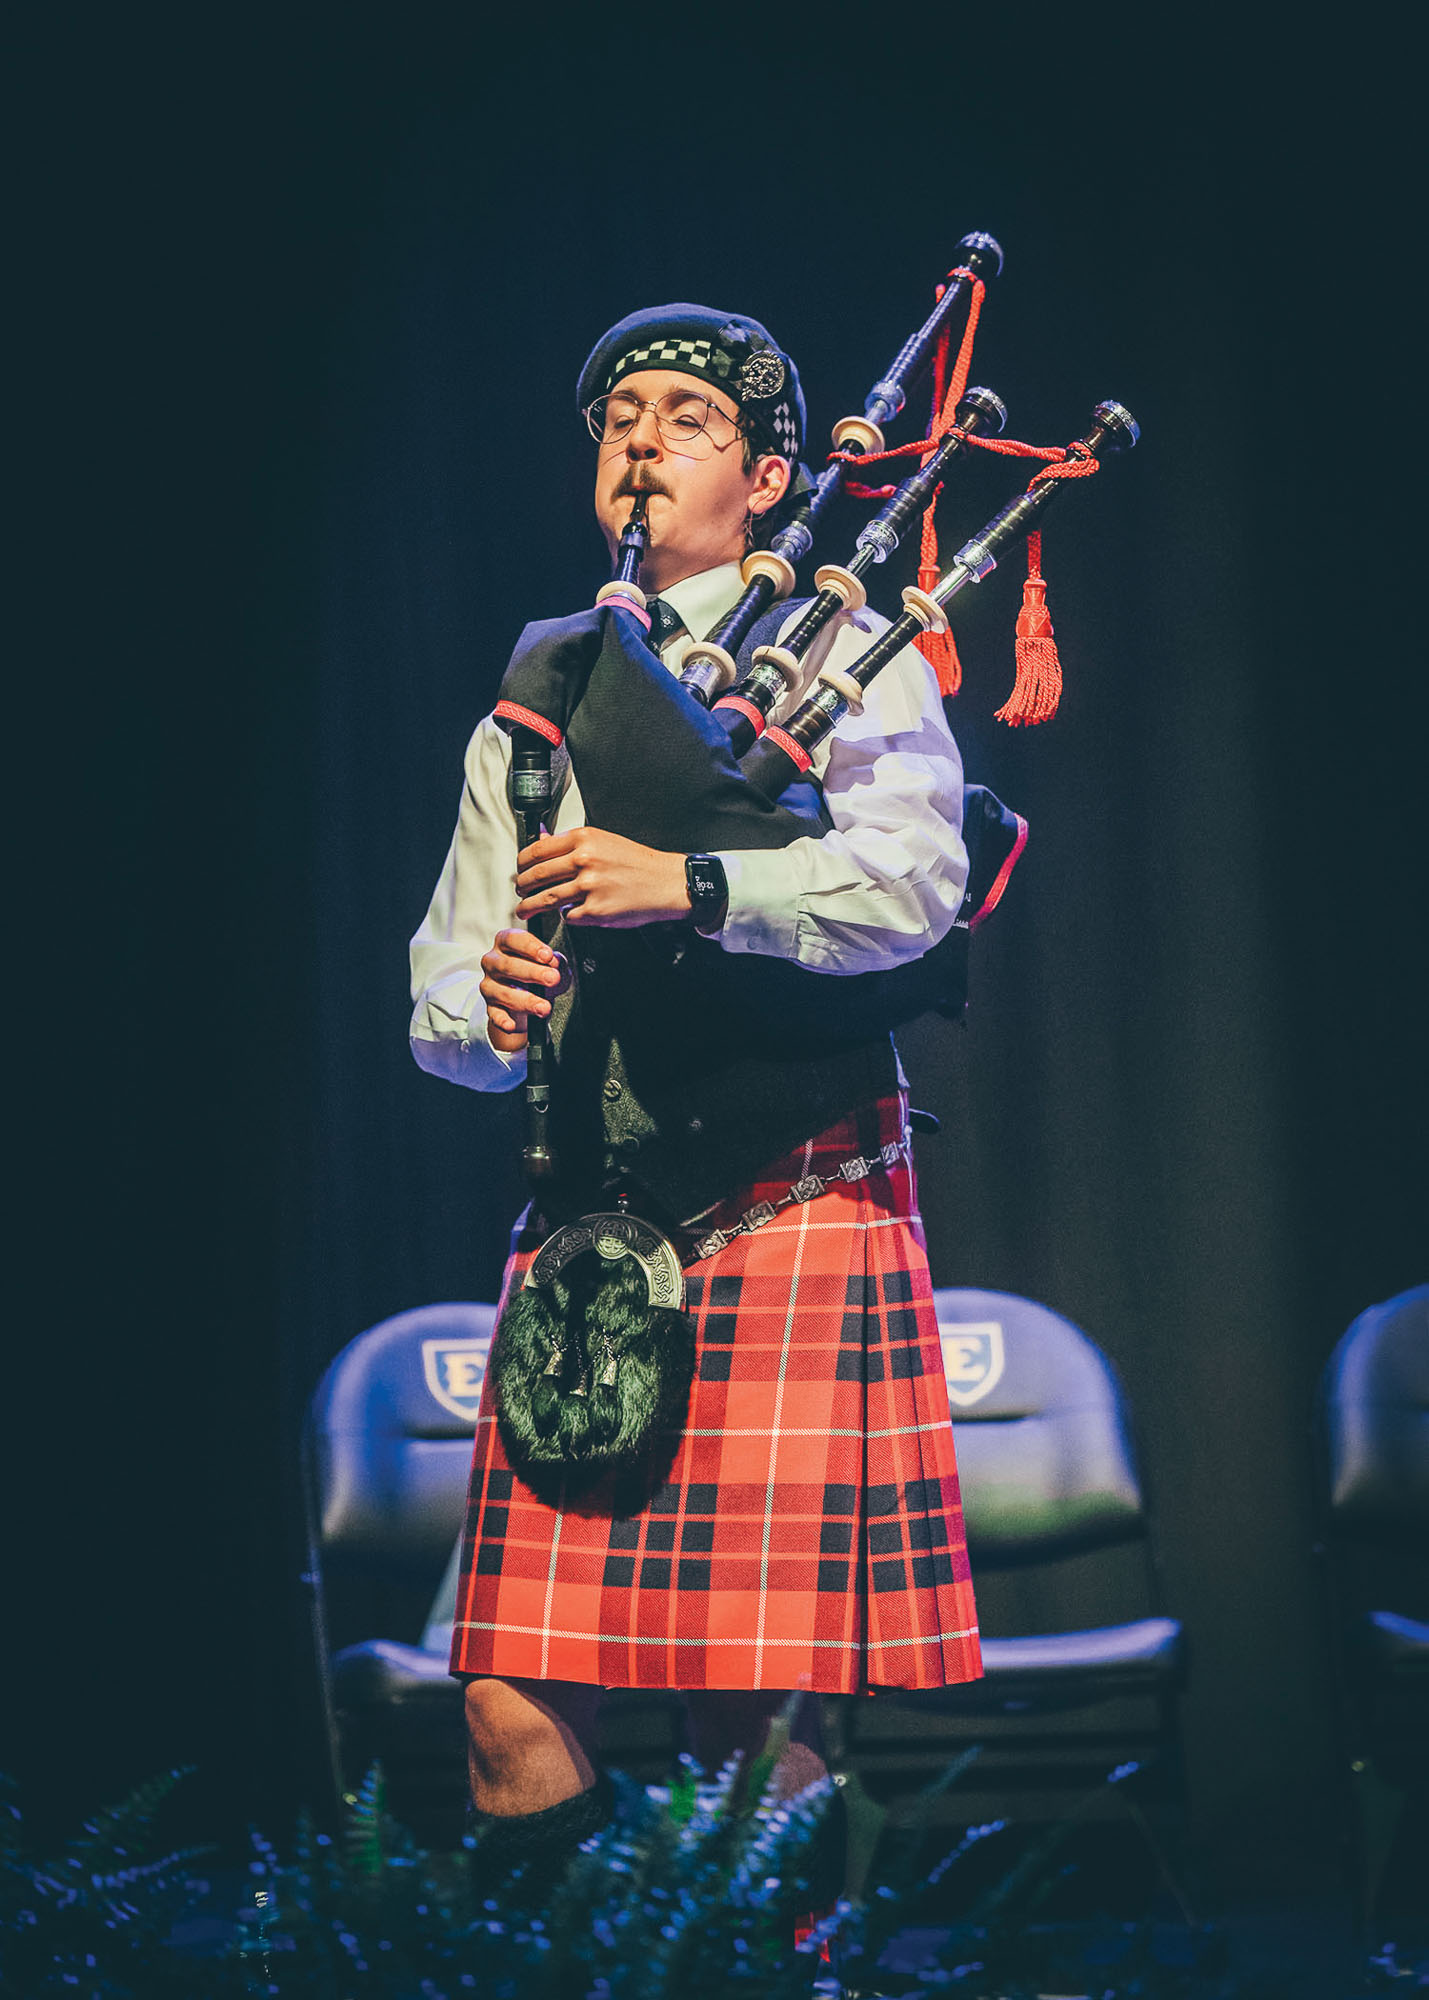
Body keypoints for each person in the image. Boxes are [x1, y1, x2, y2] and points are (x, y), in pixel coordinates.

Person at [409, 303, 983, 1896]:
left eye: (686, 417)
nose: (640, 438)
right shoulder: (535, 695)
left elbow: (916, 885)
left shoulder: (846, 651)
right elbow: (440, 1004)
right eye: (617, 418)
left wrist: (694, 881)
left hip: (790, 1200)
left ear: (771, 474)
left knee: (760, 1716)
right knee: (507, 1704)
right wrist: (484, 1006)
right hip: (589, 1235)